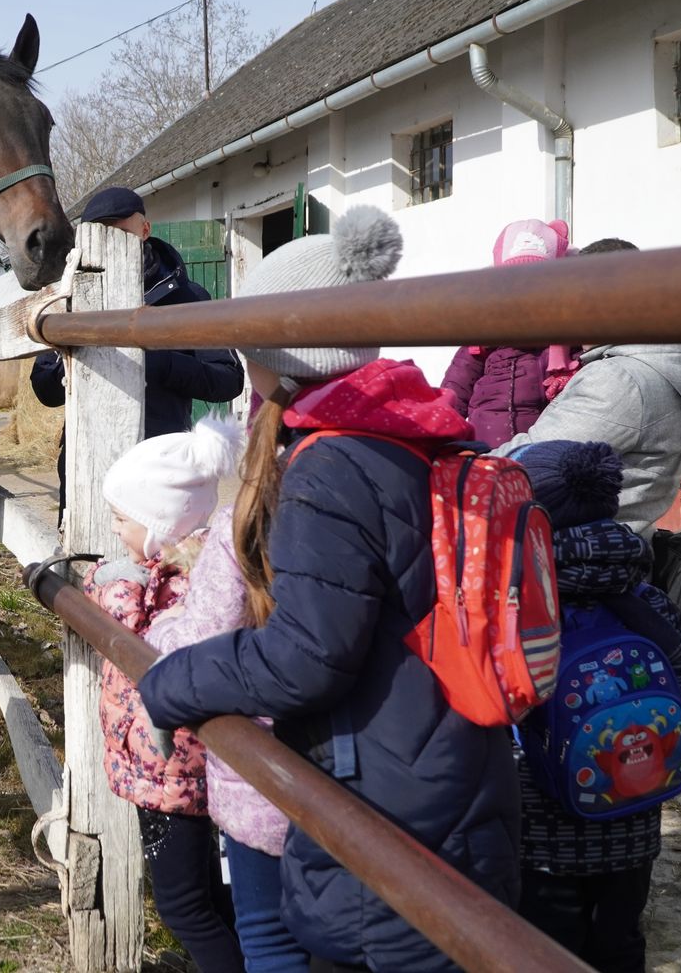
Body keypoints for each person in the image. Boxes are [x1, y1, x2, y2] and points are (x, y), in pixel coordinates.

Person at [137, 205, 522, 973]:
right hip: (445, 772)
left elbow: (308, 653)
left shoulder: (327, 468)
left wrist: (174, 680)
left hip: (385, 797)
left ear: (281, 356)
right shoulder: (415, 432)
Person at [508, 439, 681, 972]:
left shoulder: (517, 609)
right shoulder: (646, 602)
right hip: (633, 827)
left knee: (543, 955)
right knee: (620, 946)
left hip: (540, 842)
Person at [80, 417, 246, 972]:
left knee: (184, 908)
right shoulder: (172, 568)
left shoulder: (179, 582)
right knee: (207, 897)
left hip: (172, 772)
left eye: (123, 519)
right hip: (165, 770)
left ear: (161, 522)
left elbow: (137, 639)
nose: (116, 528)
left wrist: (112, 582)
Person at [30, 186, 244, 520]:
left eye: (121, 231)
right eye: (101, 233)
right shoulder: (66, 301)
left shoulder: (189, 298)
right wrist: (71, 366)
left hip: (161, 462)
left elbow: (228, 380)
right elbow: (44, 389)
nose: (112, 241)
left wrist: (161, 363)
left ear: (145, 230)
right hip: (85, 463)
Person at [493, 238, 681, 537]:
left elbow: (533, 464)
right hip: (617, 552)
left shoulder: (621, 379)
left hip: (580, 562)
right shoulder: (660, 367)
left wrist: (460, 468)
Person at [439, 218, 579, 448]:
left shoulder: (564, 339)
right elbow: (455, 389)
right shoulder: (484, 334)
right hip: (485, 452)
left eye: (537, 283)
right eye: (513, 283)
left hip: (538, 454)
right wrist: (441, 437)